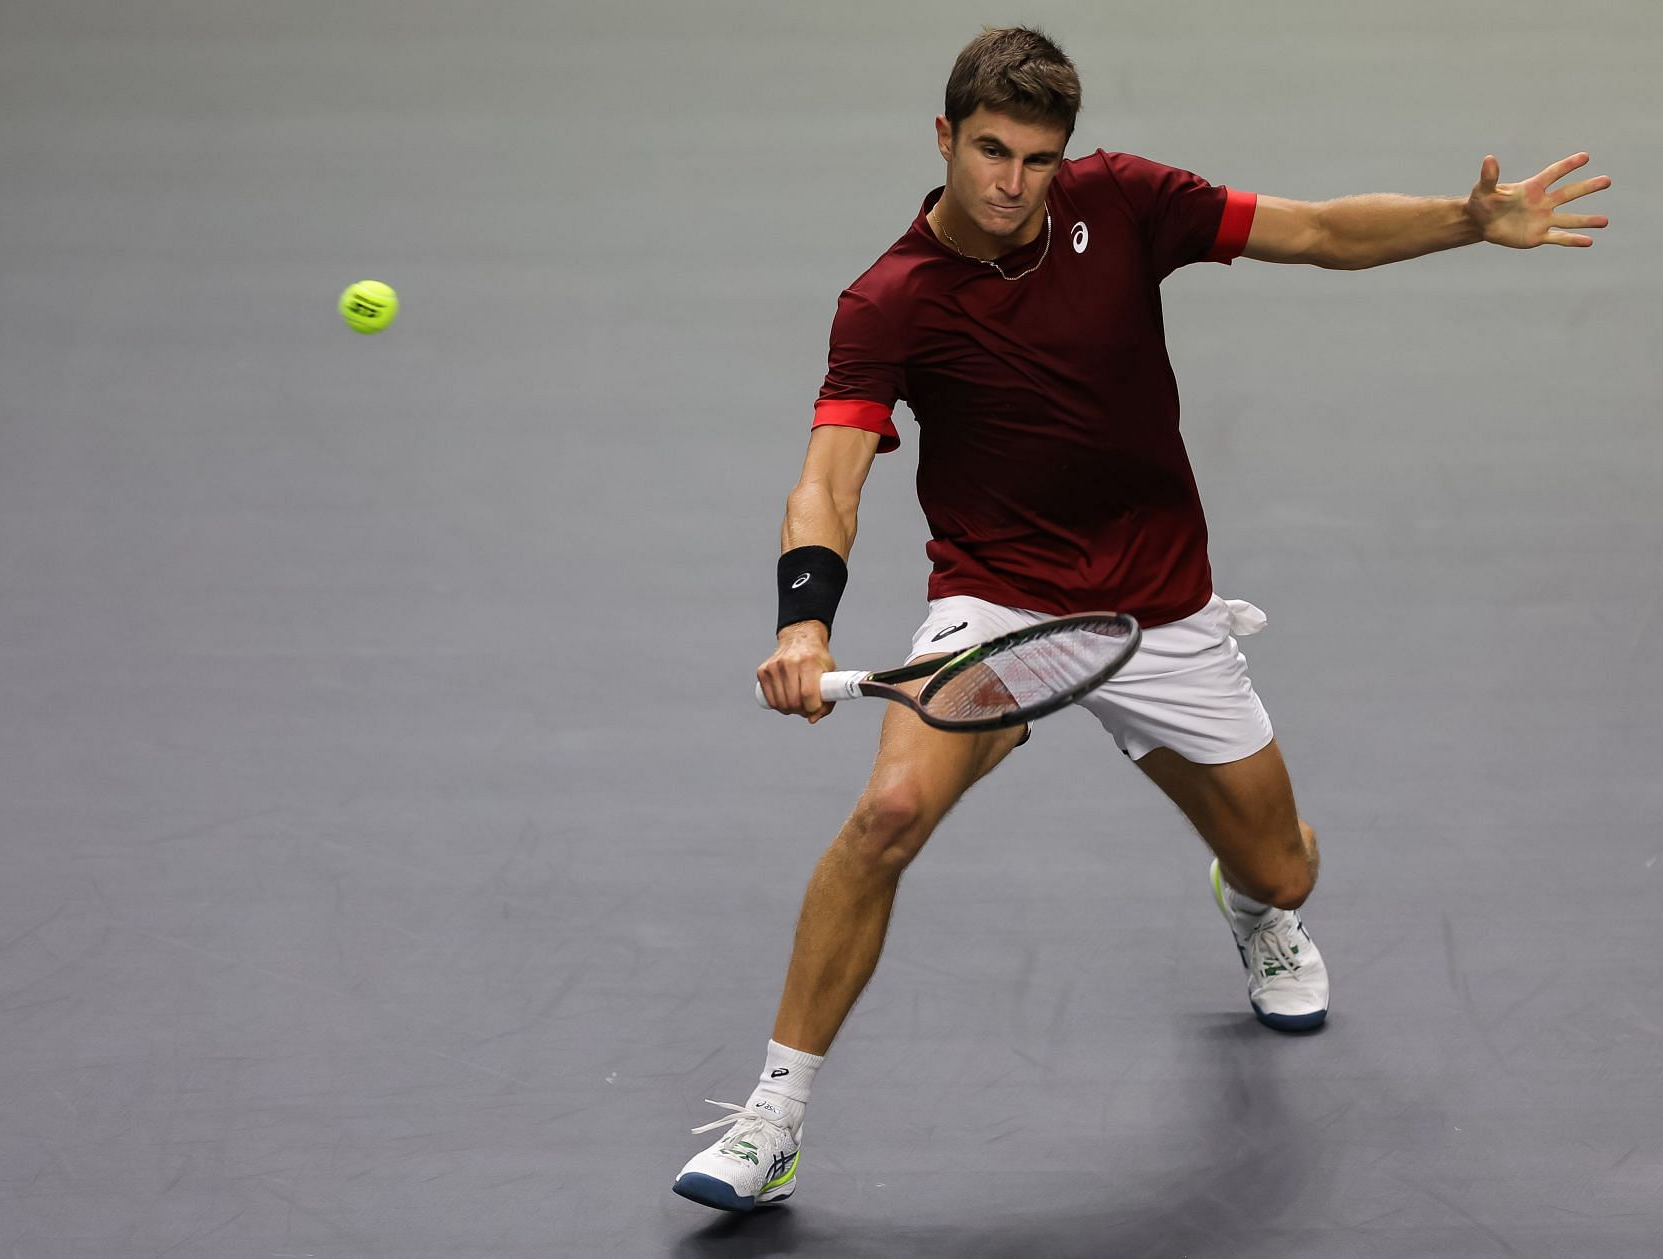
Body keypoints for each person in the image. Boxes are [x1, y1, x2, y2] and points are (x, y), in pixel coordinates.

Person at [672, 26, 1609, 1213]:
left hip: (1159, 605)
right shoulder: (890, 299)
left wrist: (1468, 220)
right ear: (946, 138)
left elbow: (1315, 231)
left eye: (1040, 160)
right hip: (998, 600)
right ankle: (773, 1116)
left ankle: (1253, 906)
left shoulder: (1122, 203)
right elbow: (831, 479)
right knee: (888, 812)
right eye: (992, 152)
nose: (1013, 185)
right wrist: (804, 622)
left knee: (1285, 861)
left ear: (1068, 157)